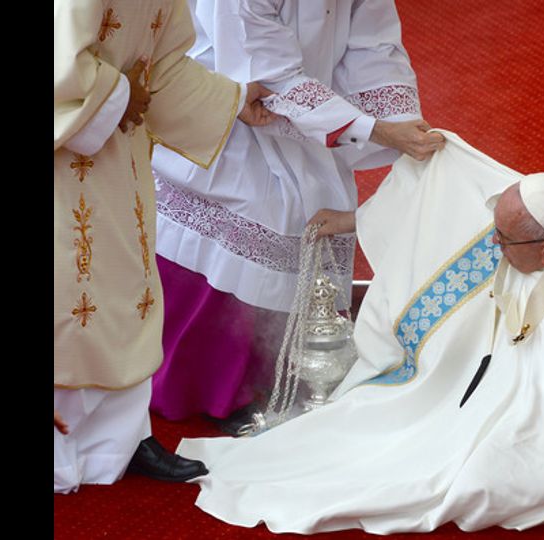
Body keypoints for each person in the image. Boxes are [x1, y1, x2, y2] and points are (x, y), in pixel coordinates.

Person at [175, 131, 544, 534]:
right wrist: (357, 219)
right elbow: (455, 198)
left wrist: (498, 448)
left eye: (503, 239)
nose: (492, 243)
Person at [148, 0, 445, 425]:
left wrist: (404, 123)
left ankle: (291, 372)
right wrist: (374, 130)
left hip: (314, 114)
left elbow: (375, 47)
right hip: (233, 108)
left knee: (321, 205)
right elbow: (264, 74)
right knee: (262, 211)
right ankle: (218, 387)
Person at [54, 0, 276, 494]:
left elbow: (164, 61)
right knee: (69, 298)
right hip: (67, 159)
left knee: (126, 292)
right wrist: (117, 94)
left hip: (121, 153)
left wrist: (232, 99)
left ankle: (123, 439)